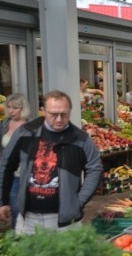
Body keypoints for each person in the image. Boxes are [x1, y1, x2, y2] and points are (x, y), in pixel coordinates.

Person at [0, 90, 102, 233]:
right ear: (43, 111)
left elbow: (94, 169)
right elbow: (6, 164)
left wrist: (77, 202)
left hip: (65, 222)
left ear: (70, 111)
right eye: (53, 114)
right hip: (28, 219)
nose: (59, 119)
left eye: (64, 114)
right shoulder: (26, 133)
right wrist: (3, 201)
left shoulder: (81, 139)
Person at [0, 94, 31, 228]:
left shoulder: (30, 127)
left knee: (18, 209)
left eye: (15, 108)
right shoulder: (4, 124)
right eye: (9, 107)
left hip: (21, 175)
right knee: (10, 207)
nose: (11, 111)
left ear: (23, 109)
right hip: (7, 173)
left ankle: (20, 236)